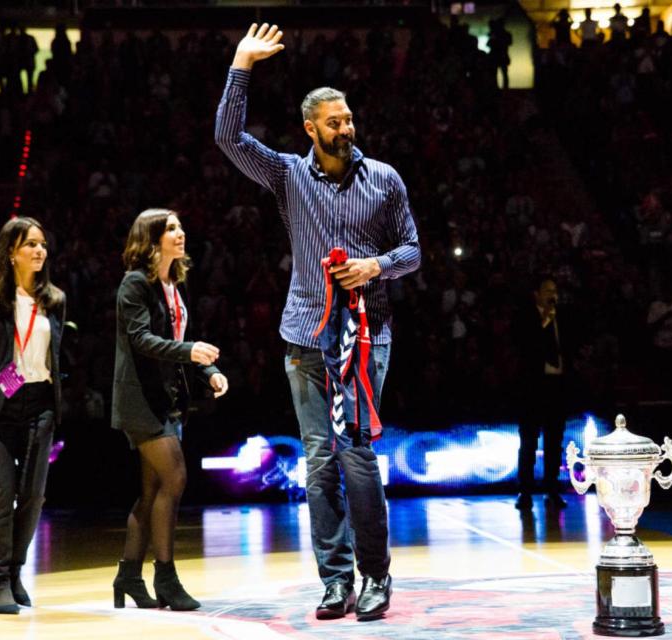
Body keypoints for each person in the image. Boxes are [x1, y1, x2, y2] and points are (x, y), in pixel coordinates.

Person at [216, 24, 420, 621]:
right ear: (311, 129)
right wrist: (241, 65)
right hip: (305, 338)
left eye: (349, 119)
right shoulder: (286, 175)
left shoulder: (384, 178)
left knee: (356, 455)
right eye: (334, 122)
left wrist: (375, 266)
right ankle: (335, 581)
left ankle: (376, 575)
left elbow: (412, 250)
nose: (346, 129)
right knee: (319, 461)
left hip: (367, 340)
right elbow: (227, 136)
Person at [111, 209, 228, 611]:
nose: (181, 233)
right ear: (152, 239)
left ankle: (128, 575)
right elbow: (142, 339)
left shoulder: (173, 282)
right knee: (175, 477)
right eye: (171, 229)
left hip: (168, 399)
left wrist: (207, 369)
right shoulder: (134, 283)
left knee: (151, 492)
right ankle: (166, 577)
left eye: (181, 226)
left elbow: (179, 340)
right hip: (140, 400)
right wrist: (190, 351)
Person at [0, 217, 66, 614]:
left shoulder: (54, 299)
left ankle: (16, 573)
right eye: (31, 245)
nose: (40, 251)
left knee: (34, 496)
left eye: (43, 244)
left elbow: (54, 356)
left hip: (39, 405)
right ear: (11, 253)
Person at [514, 275, 573, 511]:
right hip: (532, 386)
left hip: (557, 385)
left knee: (554, 440)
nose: (553, 295)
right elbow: (526, 347)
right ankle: (525, 491)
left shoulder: (564, 317)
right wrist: (545, 323)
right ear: (536, 294)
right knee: (529, 441)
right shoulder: (526, 317)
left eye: (555, 290)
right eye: (547, 290)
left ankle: (552, 490)